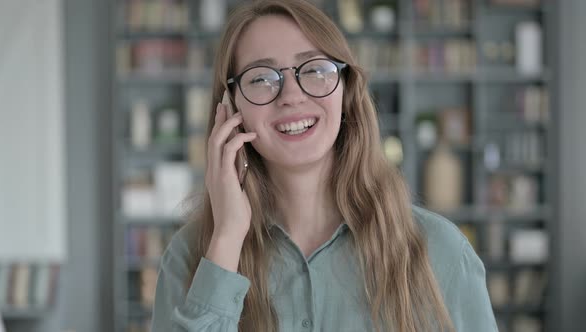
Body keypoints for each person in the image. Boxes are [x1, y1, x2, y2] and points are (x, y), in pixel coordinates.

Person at [151, 0, 497, 331]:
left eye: (314, 69)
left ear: (345, 91)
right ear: (229, 106)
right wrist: (226, 237)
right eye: (261, 78)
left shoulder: (440, 250)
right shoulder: (191, 255)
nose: (291, 95)